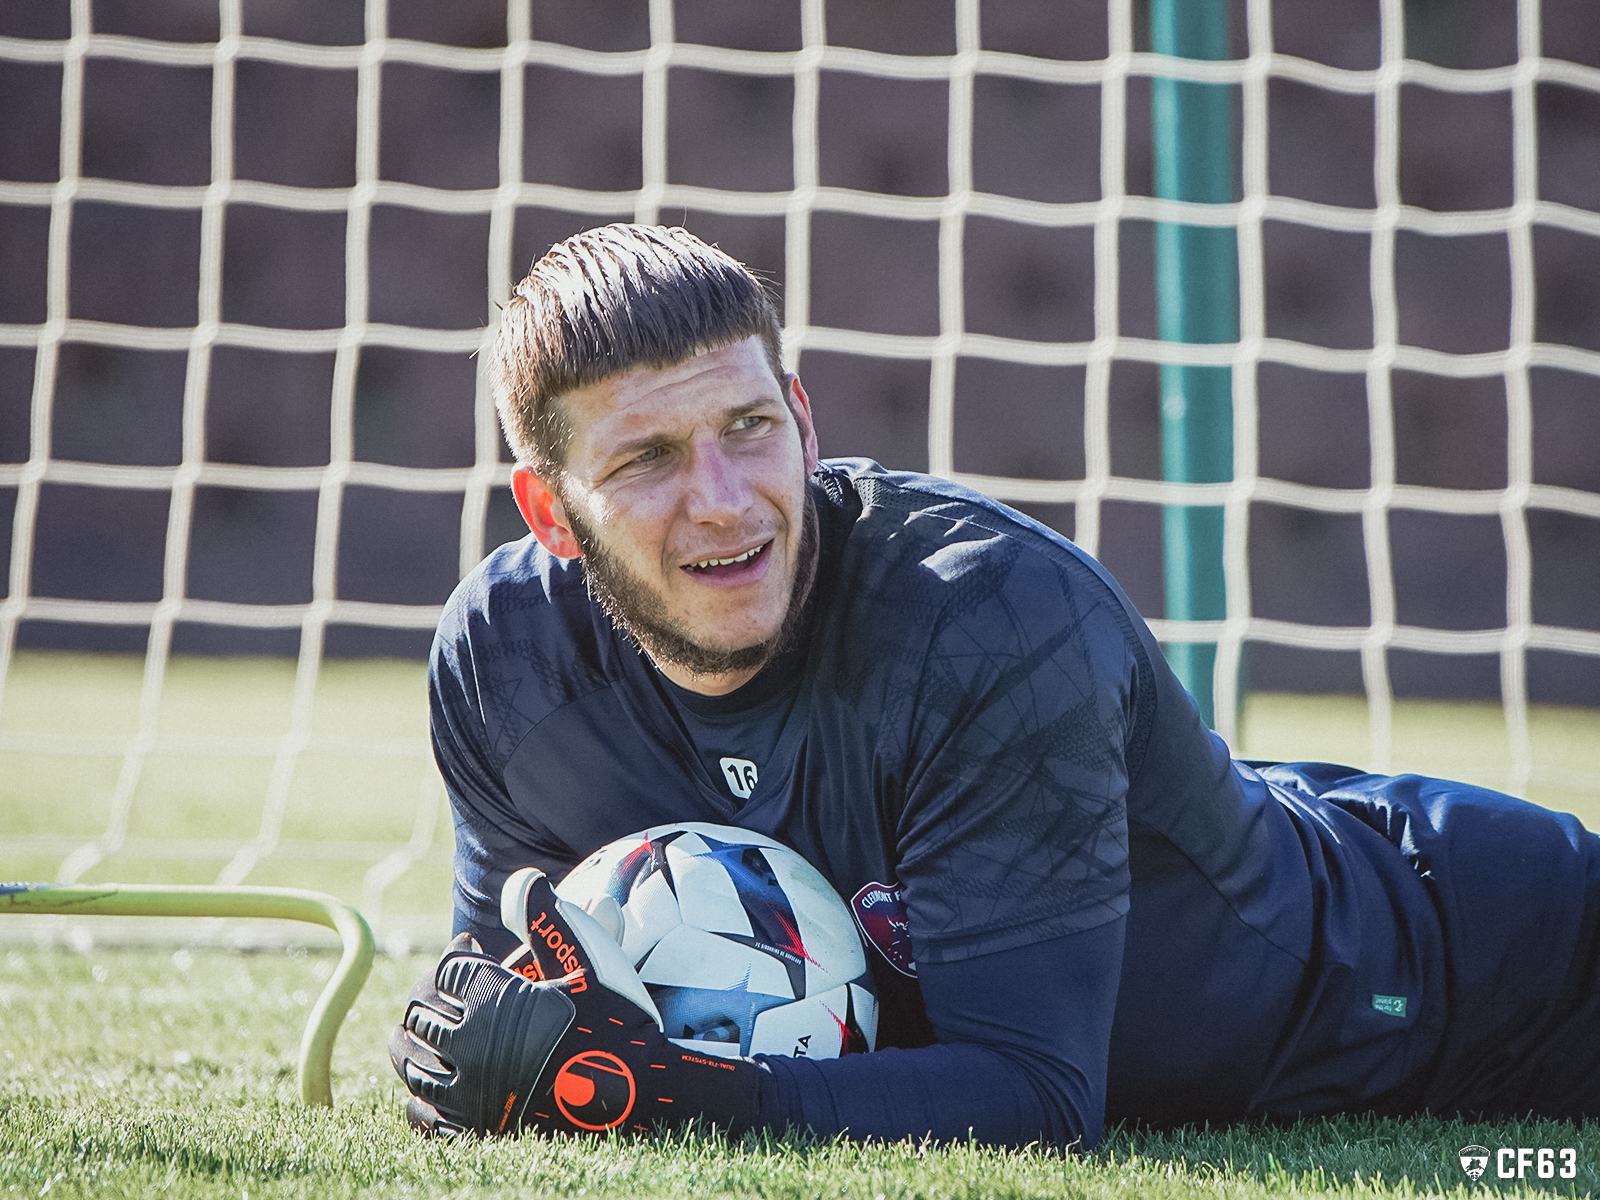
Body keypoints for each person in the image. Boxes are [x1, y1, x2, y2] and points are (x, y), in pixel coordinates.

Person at [389, 223, 1600, 1147]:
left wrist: (669, 1094)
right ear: (551, 509)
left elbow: (1034, 1094)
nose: (721, 498)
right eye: (647, 456)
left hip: (1492, 979)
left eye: (748, 427)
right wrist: (505, 1054)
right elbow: (521, 988)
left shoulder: (983, 617)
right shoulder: (507, 665)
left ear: (805, 424)